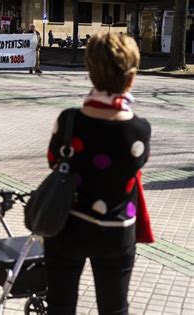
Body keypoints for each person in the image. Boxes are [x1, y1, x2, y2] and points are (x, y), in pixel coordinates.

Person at [43, 32, 151, 314]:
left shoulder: (69, 121)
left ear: (91, 72)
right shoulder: (139, 130)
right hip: (116, 230)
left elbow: (53, 160)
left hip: (67, 226)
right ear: (131, 77)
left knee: (59, 306)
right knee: (114, 308)